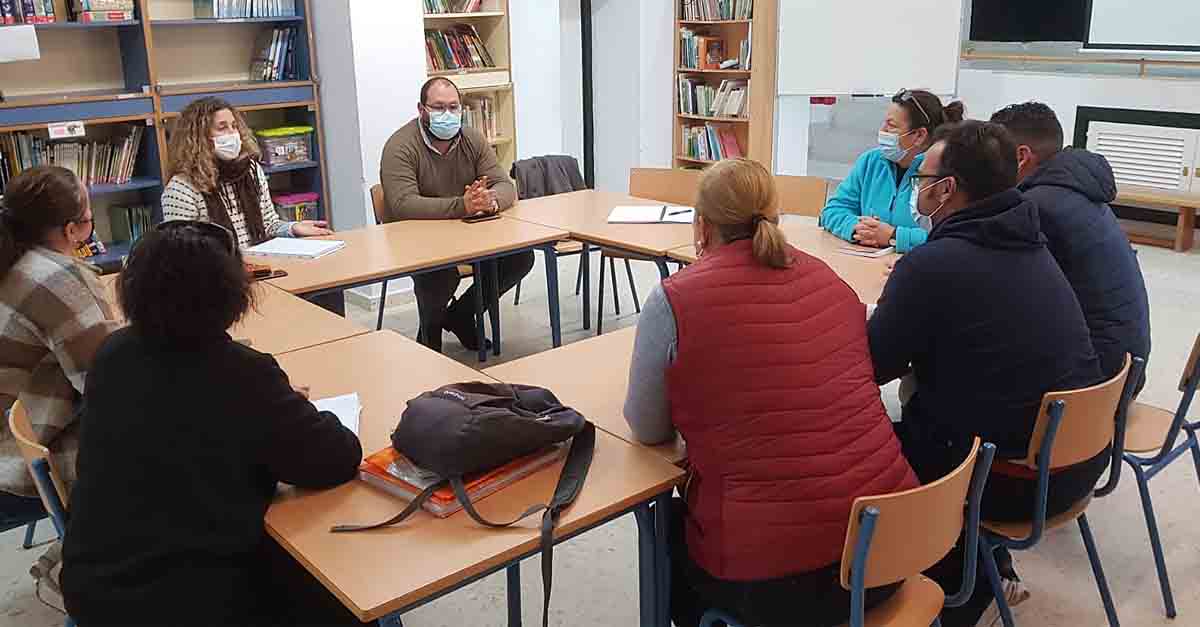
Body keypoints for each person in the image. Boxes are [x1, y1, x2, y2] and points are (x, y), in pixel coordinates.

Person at [623, 158, 918, 627]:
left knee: (662, 529)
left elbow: (647, 427)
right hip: (891, 549)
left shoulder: (676, 299)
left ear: (702, 225)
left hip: (783, 581)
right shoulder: (827, 277)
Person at [61, 221, 364, 627]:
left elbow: (185, 417)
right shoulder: (244, 375)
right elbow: (336, 457)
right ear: (232, 294)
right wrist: (285, 404)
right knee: (348, 591)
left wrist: (273, 403)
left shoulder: (112, 354)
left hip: (94, 589)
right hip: (192, 600)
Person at [868, 121, 1105, 626]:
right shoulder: (1032, 243)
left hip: (1013, 482)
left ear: (947, 189)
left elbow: (872, 366)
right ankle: (990, 568)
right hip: (1077, 461)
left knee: (862, 448)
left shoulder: (932, 265)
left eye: (922, 179)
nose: (916, 189)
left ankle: (956, 588)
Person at [991, 101, 1151, 390]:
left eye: (991, 155)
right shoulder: (1076, 187)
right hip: (1125, 368)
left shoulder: (1038, 205)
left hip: (1093, 384)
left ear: (1021, 157)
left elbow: (1003, 296)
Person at [379, 77, 532, 353]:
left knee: (519, 257)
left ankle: (461, 315)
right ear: (421, 110)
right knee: (441, 274)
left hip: (465, 232)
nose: (447, 114)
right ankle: (430, 335)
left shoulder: (472, 139)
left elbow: (504, 184)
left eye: (453, 107)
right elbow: (403, 204)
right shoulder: (400, 146)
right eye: (438, 107)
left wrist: (490, 201)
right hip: (415, 238)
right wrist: (462, 206)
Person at [0, 165, 119, 520]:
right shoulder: (57, 278)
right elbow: (108, 384)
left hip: (19, 429)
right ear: (72, 230)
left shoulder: (15, 261)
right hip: (23, 455)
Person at [161, 96, 331, 248]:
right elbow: (183, 252)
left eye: (234, 126)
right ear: (199, 137)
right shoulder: (181, 189)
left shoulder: (250, 170)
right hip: (217, 270)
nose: (232, 133)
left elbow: (268, 224)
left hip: (259, 263)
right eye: (222, 128)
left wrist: (293, 228)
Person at [821, 89, 965, 253]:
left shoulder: (940, 173)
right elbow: (832, 210)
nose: (882, 130)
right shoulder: (871, 161)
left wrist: (894, 236)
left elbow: (951, 238)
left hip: (917, 264)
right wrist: (857, 229)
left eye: (891, 126)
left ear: (919, 135)